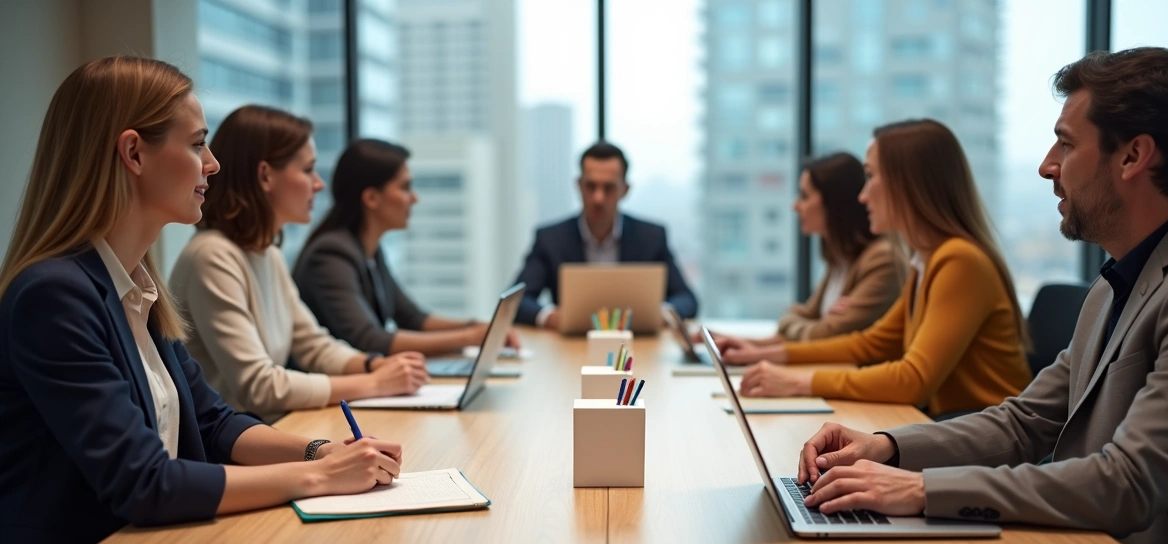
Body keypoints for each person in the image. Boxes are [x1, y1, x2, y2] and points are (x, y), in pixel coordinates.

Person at [794, 48, 1168, 544]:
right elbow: (1023, 422)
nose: (1047, 166)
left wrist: (922, 490)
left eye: (1065, 142)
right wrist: (885, 448)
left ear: (1133, 156)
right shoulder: (1112, 285)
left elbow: (1129, 483)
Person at [0, 56, 405, 544]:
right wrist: (320, 479)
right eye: (197, 145)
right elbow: (146, 483)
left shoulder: (135, 285)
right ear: (134, 153)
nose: (212, 164)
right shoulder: (54, 295)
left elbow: (215, 424)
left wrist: (318, 451)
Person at [719, 120, 1032, 418]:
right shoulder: (928, 258)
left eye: (870, 176)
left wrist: (798, 382)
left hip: (986, 436)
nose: (862, 195)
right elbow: (869, 343)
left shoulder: (959, 260)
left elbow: (913, 379)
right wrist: (769, 355)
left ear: (907, 185)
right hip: (954, 426)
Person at [170, 106, 429, 424]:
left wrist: (373, 365)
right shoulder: (212, 256)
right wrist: (374, 383)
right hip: (227, 449)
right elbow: (260, 387)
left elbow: (314, 345)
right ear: (265, 175)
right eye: (308, 170)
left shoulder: (268, 254)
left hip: (264, 430)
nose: (319, 184)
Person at [293, 139, 519, 357]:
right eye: (405, 187)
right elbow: (370, 340)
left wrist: (475, 327)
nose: (414, 198)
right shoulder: (331, 255)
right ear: (372, 198)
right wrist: (469, 337)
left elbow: (413, 319)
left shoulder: (368, 249)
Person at [709, 152, 904, 349]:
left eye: (804, 196)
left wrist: (808, 324)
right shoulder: (840, 258)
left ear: (834, 202)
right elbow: (804, 320)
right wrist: (740, 343)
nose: (795, 206)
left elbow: (824, 336)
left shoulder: (881, 260)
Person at [513, 141, 698, 328]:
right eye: (591, 186)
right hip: (569, 348)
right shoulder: (550, 238)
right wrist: (549, 316)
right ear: (579, 185)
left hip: (635, 347)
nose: (598, 198)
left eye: (608, 188)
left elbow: (687, 299)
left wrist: (664, 314)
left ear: (625, 190)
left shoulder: (651, 237)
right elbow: (516, 301)